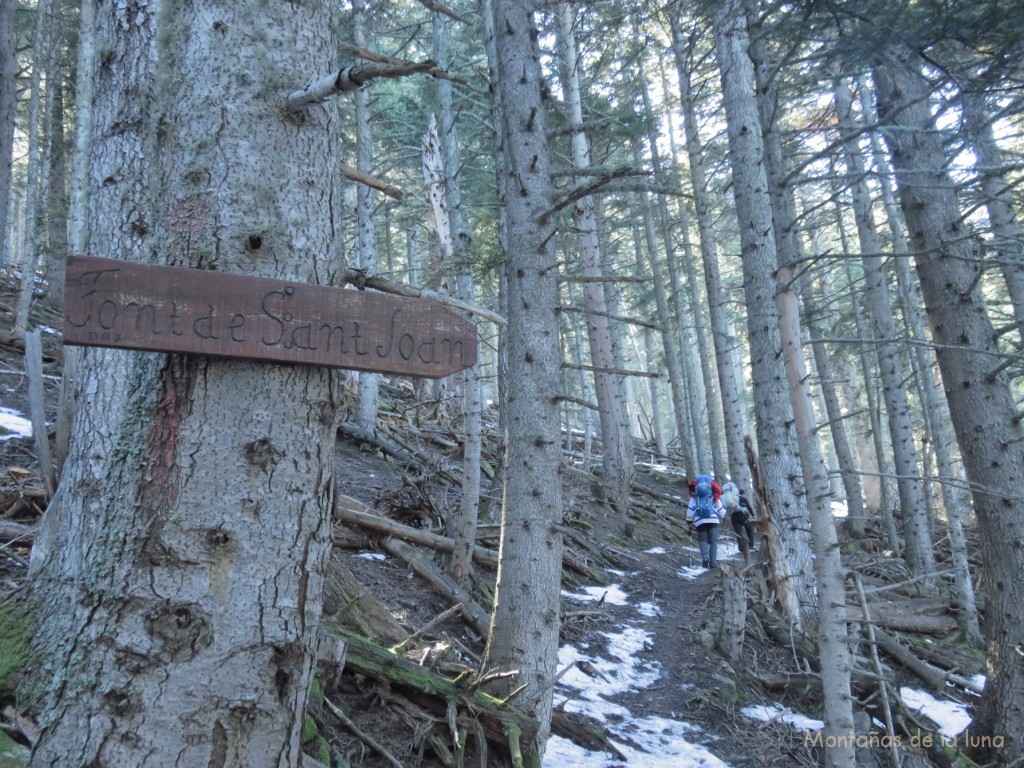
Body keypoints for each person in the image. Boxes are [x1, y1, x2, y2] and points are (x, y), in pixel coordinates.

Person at [686, 474, 726, 569]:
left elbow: (690, 509)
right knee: (713, 541)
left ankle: (705, 557)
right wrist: (723, 515)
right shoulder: (712, 494)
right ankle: (713, 562)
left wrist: (689, 521)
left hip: (700, 521)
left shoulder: (695, 496)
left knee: (703, 540)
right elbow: (720, 509)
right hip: (713, 520)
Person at [725, 485, 757, 561]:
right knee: (749, 529)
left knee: (738, 532)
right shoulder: (743, 498)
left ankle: (741, 548)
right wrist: (753, 515)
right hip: (743, 514)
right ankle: (751, 545)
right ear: (742, 493)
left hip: (734, 516)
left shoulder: (731, 499)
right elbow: (749, 507)